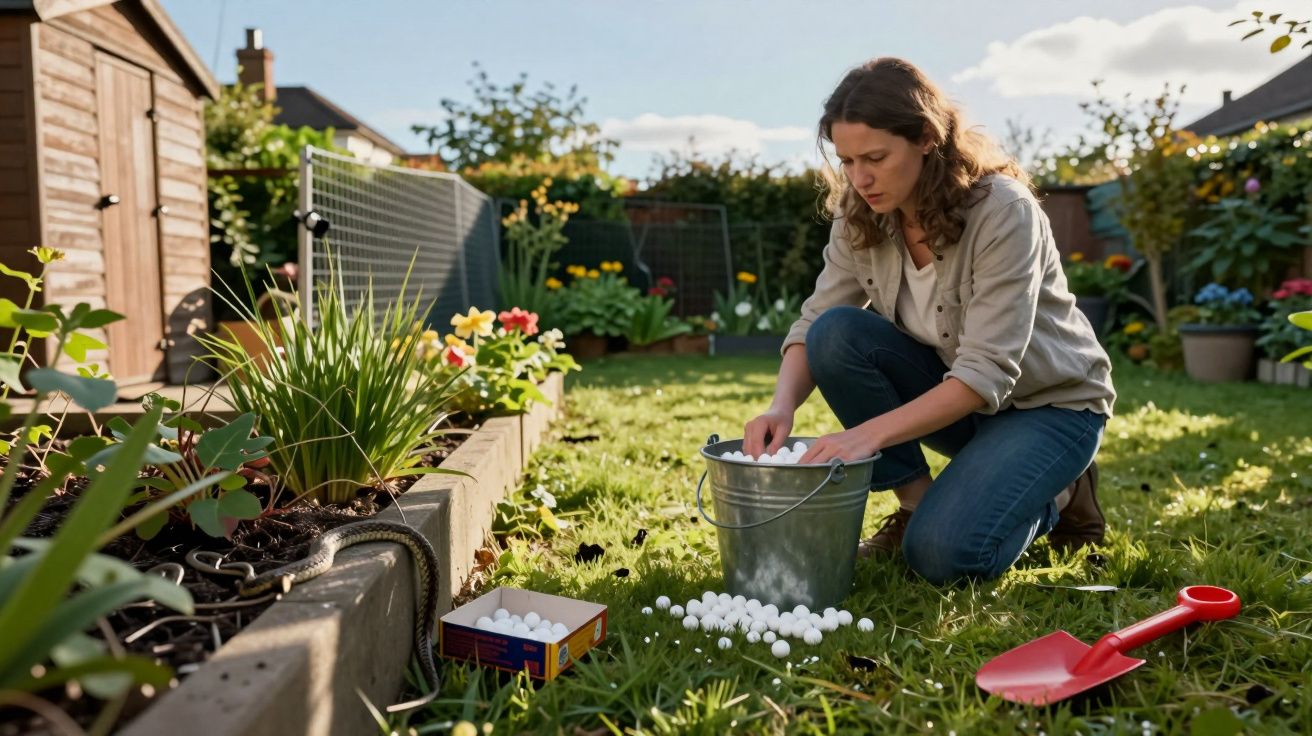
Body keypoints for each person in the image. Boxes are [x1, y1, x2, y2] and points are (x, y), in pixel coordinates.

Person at [741, 58, 1115, 584]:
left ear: (925, 138)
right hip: (961, 405)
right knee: (837, 334)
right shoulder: (860, 213)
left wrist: (866, 436)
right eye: (847, 161)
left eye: (875, 157)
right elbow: (817, 319)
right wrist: (781, 407)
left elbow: (985, 371)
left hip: (1050, 408)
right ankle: (916, 505)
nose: (860, 178)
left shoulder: (1002, 211)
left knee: (944, 558)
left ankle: (1060, 491)